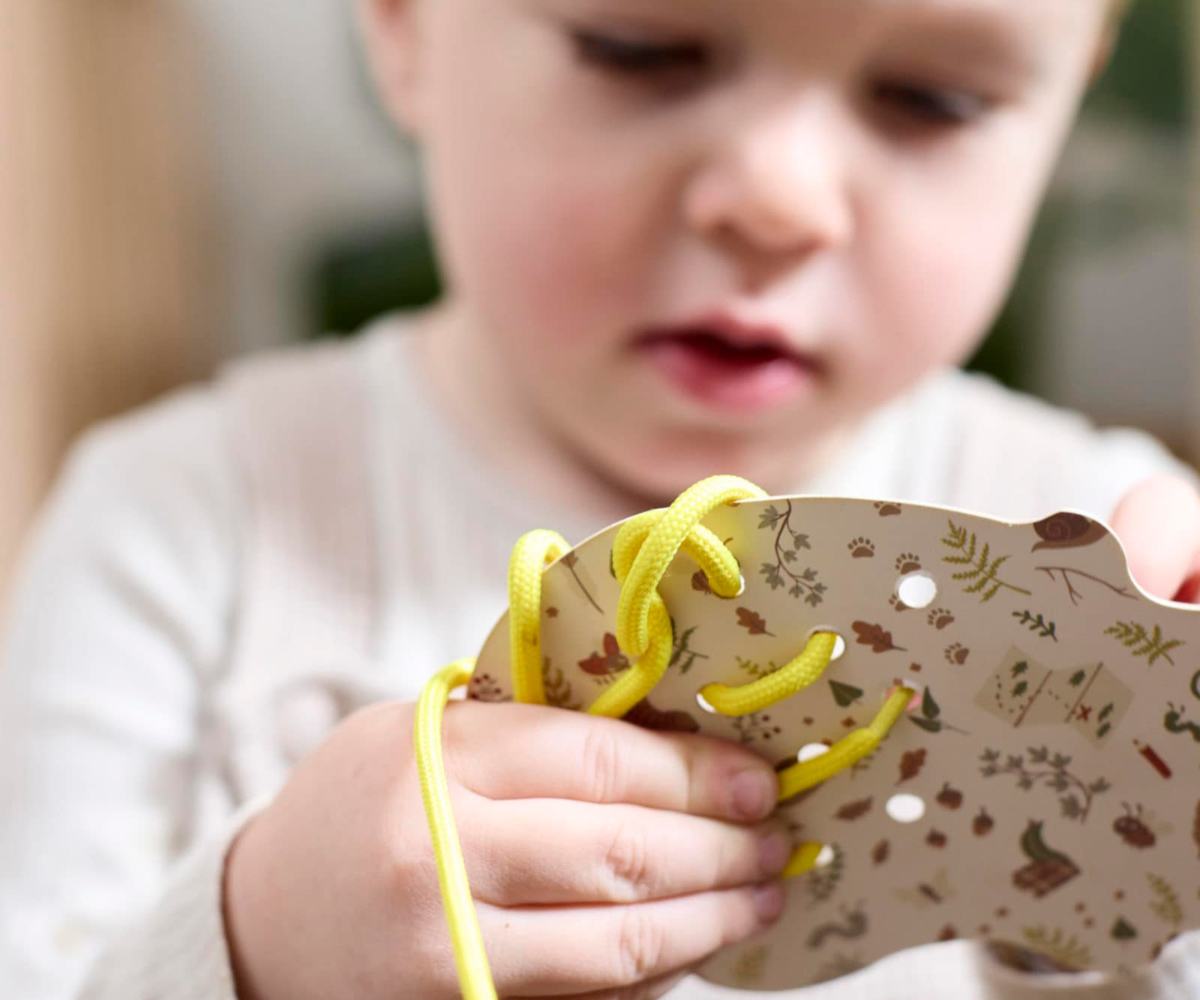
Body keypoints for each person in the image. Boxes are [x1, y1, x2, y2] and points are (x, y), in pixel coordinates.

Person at [2, 0, 1198, 998]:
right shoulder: (180, 520)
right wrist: (256, 942)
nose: (779, 198)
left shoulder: (1108, 550)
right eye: (641, 49)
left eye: (933, 100)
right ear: (405, 26)